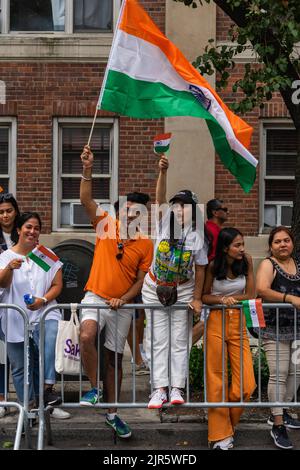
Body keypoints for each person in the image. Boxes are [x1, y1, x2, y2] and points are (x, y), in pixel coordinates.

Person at [79, 145, 153, 439]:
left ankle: (112, 413)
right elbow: (85, 198)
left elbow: (140, 280)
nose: (132, 214)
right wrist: (88, 168)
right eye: (128, 209)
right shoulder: (105, 225)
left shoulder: (145, 243)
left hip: (121, 305)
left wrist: (124, 298)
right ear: (120, 211)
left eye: (139, 211)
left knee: (115, 358)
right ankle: (96, 389)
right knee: (86, 335)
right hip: (95, 295)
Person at [142, 155, 207, 409]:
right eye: (177, 205)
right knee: (158, 338)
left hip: (183, 288)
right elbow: (159, 197)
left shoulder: (197, 236)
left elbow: (201, 269)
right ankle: (159, 389)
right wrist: (163, 171)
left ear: (193, 210)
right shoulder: (163, 223)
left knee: (180, 339)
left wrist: (197, 298)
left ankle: (177, 387)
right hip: (154, 286)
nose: (180, 209)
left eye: (185, 205)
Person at [0, 212, 63, 409]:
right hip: (15, 318)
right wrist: (10, 268)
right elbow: (2, 283)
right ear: (18, 229)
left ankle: (47, 390)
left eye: (36, 228)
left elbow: (57, 284)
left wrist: (43, 300)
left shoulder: (44, 254)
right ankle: (28, 408)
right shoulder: (7, 257)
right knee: (20, 367)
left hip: (44, 312)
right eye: (28, 227)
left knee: (47, 345)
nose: (32, 231)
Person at [202, 227, 256, 450]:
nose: (242, 249)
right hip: (216, 320)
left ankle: (227, 427)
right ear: (225, 248)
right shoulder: (214, 266)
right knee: (216, 378)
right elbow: (204, 296)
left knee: (246, 384)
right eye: (237, 245)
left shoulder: (246, 263)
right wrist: (222, 301)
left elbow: (252, 296)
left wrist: (228, 298)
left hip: (238, 322)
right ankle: (219, 434)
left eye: (242, 244)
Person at [256, 226, 300, 450]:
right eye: (277, 242)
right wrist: (288, 297)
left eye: (286, 241)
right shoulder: (268, 264)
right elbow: (261, 290)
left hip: (298, 330)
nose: (283, 245)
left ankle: (280, 411)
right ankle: (278, 424)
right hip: (274, 330)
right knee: (279, 374)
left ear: (292, 243)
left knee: (297, 373)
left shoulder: (298, 264)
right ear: (271, 246)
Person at [192, 198, 228, 345]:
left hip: (211, 283)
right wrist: (201, 293)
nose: (227, 212)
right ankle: (177, 353)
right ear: (215, 212)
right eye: (224, 210)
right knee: (204, 321)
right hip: (207, 284)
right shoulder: (210, 231)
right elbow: (205, 262)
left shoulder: (217, 231)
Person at [0, 193, 20, 418]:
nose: (5, 215)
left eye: (9, 211)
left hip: (19, 301)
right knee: (0, 353)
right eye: (1, 212)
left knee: (20, 354)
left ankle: (33, 400)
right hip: (1, 301)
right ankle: (2, 397)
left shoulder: (24, 232)